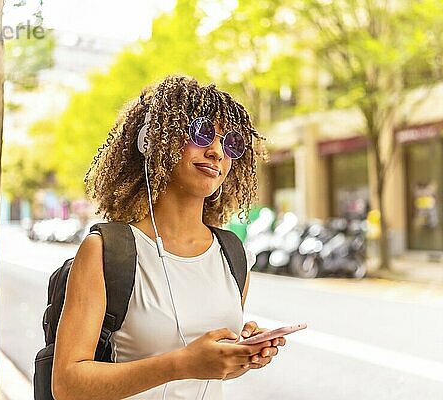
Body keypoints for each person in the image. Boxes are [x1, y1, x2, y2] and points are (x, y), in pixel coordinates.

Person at [51, 75, 287, 400]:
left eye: (230, 143)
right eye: (203, 134)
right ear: (154, 140)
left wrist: (242, 357)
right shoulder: (107, 251)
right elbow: (67, 385)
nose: (217, 151)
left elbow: (212, 369)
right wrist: (181, 364)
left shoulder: (232, 252)